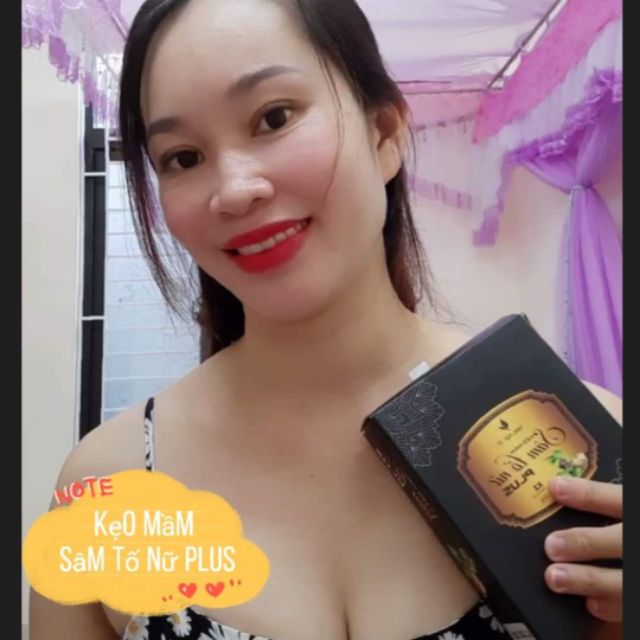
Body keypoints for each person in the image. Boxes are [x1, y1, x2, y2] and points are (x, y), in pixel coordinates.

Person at [29, 1, 623, 638]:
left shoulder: (591, 438)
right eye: (182, 157)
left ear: (384, 133)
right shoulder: (105, 487)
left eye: (274, 117)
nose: (234, 189)